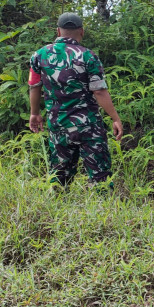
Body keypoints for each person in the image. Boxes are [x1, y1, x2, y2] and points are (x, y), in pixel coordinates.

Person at [28, 13, 123, 187]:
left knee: (59, 176)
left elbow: (34, 86)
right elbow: (100, 91)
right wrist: (115, 118)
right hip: (89, 125)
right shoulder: (88, 56)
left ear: (58, 31)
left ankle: (56, 208)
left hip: (58, 125)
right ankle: (104, 209)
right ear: (81, 31)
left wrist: (35, 113)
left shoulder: (39, 55)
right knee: (100, 176)